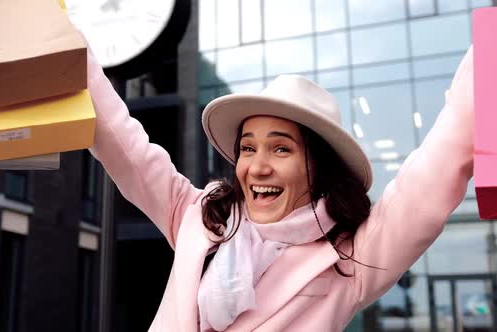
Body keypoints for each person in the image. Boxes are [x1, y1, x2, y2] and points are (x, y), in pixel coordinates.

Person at [86, 43, 474, 331]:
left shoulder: (351, 259)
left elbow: (436, 170)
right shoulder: (198, 216)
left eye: (281, 149)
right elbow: (123, 143)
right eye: (248, 148)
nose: (258, 167)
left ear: (319, 167)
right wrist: (61, 42)